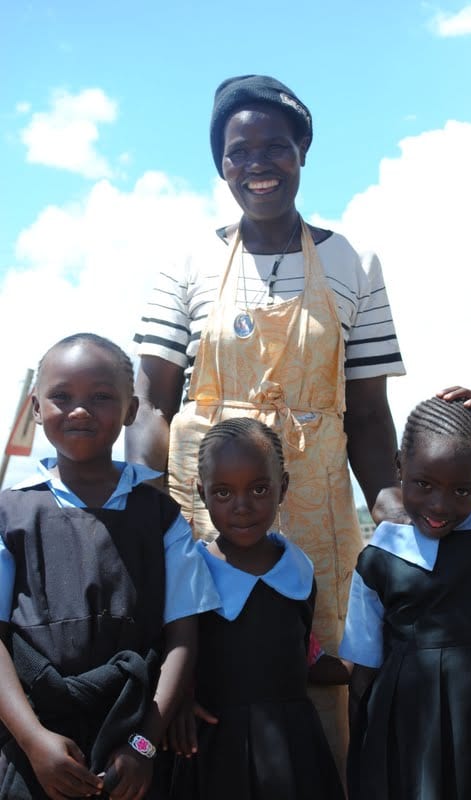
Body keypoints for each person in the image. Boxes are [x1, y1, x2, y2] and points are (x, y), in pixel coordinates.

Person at [128, 73, 405, 763]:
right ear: (221, 165)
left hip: (316, 514)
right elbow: (155, 403)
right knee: (206, 670)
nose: (258, 164)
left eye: (275, 147)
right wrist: (146, 517)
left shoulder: (353, 262)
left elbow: (368, 416)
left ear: (302, 153)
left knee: (318, 673)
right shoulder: (187, 262)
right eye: (238, 151)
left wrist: (398, 519)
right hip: (205, 509)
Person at [0, 333, 221, 800]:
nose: (80, 410)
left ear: (131, 409)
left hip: (133, 740)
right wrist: (32, 740)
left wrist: (144, 743)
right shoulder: (10, 514)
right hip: (33, 742)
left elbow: (182, 637)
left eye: (101, 397)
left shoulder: (161, 517)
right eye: (62, 397)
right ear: (36, 408)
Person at [340, 388, 471, 800]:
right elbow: (365, 667)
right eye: (424, 484)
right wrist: (365, 746)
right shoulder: (378, 556)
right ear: (398, 467)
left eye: (462, 490)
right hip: (415, 729)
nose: (439, 504)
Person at [168, 417, 345, 799]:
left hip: (293, 746)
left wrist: (363, 666)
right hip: (217, 748)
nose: (243, 506)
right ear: (202, 492)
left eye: (260, 489)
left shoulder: (297, 568)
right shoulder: (192, 573)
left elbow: (304, 653)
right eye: (223, 493)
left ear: (284, 487)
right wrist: (177, 699)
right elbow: (174, 655)